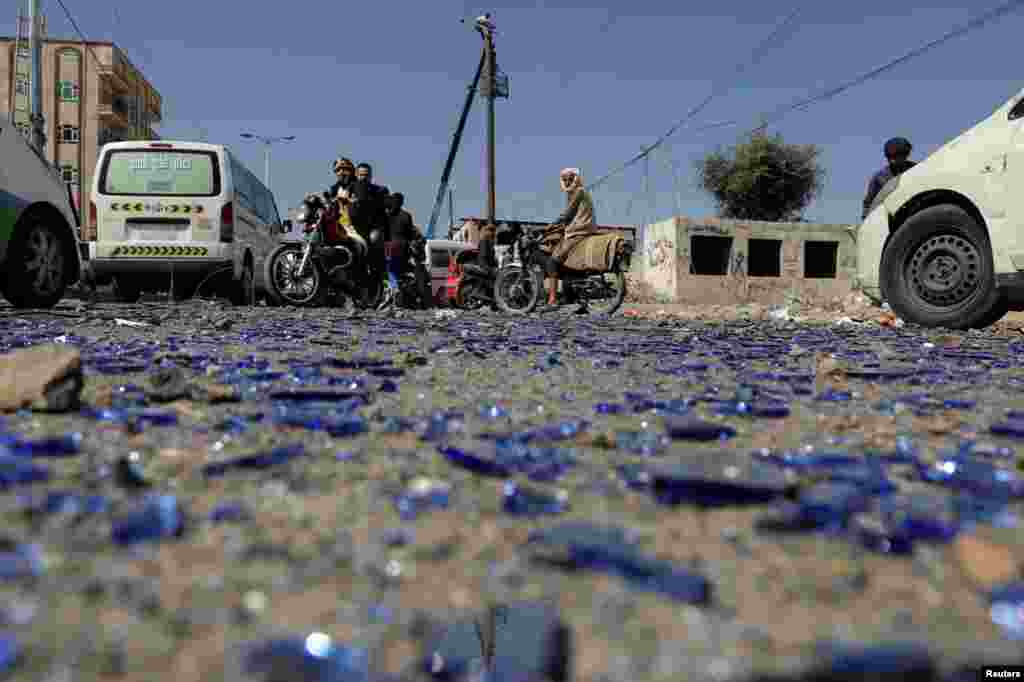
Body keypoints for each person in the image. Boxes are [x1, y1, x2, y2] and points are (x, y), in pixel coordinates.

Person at [541, 167, 595, 309]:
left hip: (578, 231)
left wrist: (551, 225)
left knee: (552, 261)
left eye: (569, 179)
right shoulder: (577, 192)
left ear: (575, 179)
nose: (566, 182)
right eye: (564, 179)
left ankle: (552, 300)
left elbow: (567, 214)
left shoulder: (578, 192)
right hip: (580, 229)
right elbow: (569, 217)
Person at [385, 193, 432, 308]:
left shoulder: (386, 216)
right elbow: (410, 233)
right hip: (402, 248)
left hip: (388, 248)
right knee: (401, 272)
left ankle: (394, 288)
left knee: (390, 270)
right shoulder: (406, 216)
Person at [862, 137, 916, 219]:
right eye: (889, 157)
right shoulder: (880, 177)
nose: (892, 161)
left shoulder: (916, 171)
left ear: (905, 155)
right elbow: (868, 203)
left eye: (895, 157)